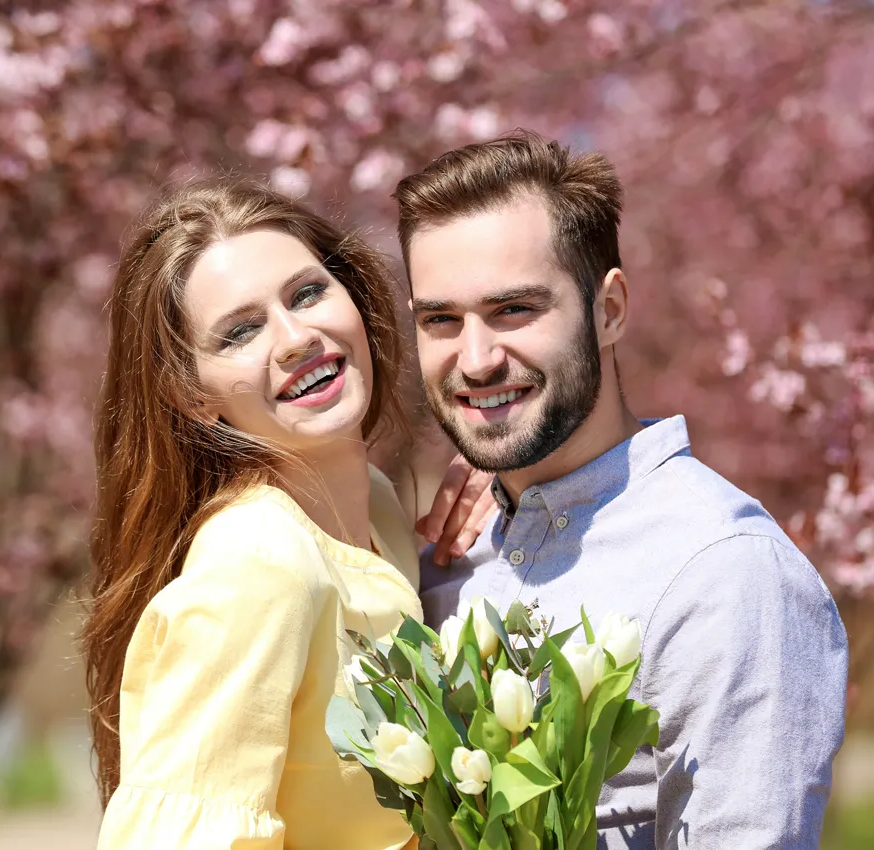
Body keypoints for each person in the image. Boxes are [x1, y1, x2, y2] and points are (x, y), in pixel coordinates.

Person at [399, 131, 849, 849]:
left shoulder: (722, 571)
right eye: (441, 320)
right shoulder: (444, 556)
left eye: (514, 309)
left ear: (608, 310)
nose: (476, 358)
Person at [83, 180, 491, 849]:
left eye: (307, 293)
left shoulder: (381, 509)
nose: (296, 336)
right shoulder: (257, 572)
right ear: (191, 396)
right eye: (241, 332)